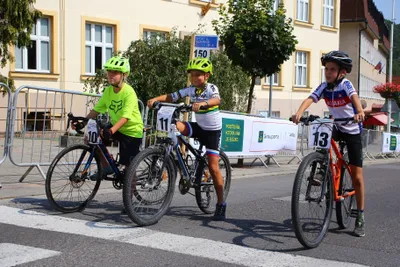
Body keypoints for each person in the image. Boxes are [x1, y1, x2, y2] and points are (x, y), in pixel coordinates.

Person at [291, 50, 366, 237]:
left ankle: (361, 215)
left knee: (357, 176)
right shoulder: (324, 87)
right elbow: (310, 98)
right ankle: (322, 166)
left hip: (351, 128)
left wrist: (358, 111)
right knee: (322, 131)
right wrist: (299, 112)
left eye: (332, 69)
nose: (328, 72)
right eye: (326, 69)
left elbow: (355, 98)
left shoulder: (346, 85)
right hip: (336, 126)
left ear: (342, 72)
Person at [147, 58, 226, 221]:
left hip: (212, 131)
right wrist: (156, 99)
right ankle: (171, 155)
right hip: (199, 127)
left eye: (198, 75)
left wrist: (203, 103)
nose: (194, 78)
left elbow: (217, 100)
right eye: (192, 75)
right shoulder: (190, 90)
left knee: (213, 167)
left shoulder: (211, 88)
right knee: (174, 125)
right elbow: (172, 96)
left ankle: (221, 203)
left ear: (207, 76)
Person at [75, 56, 143, 179]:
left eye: (115, 72)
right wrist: (83, 122)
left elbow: (126, 117)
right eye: (109, 71)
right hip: (117, 127)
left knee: (129, 172)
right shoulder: (108, 91)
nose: (111, 74)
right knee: (91, 139)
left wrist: (111, 131)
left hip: (132, 131)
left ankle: (129, 198)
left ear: (124, 75)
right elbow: (96, 110)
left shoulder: (129, 92)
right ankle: (107, 166)